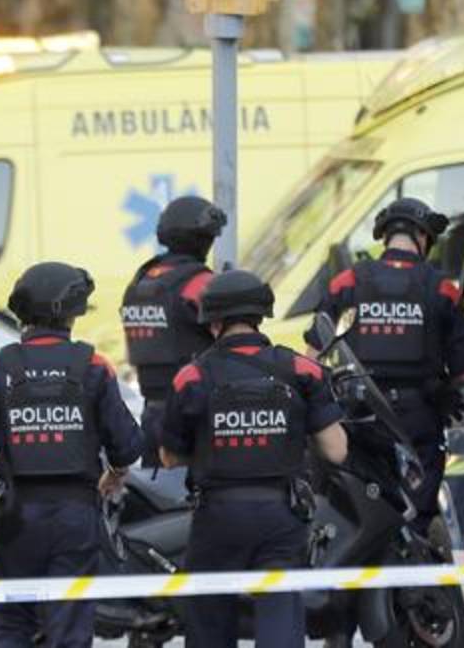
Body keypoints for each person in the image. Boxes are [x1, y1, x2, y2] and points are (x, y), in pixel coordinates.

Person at [0, 262, 143, 648]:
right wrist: (114, 474)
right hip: (75, 516)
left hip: (15, 514)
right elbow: (127, 445)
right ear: (70, 313)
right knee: (70, 627)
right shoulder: (93, 365)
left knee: (10, 624)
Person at [159, 269, 348, 648]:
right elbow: (337, 450)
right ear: (261, 315)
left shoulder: (192, 377)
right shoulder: (301, 370)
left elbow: (168, 458)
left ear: (212, 321)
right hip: (281, 516)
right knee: (280, 615)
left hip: (217, 518)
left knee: (209, 622)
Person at [304, 197, 464, 535]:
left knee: (362, 506)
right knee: (416, 514)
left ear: (385, 236)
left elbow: (312, 354)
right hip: (418, 418)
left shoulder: (347, 282)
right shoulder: (441, 287)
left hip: (359, 418)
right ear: (423, 236)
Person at [121, 195, 226, 467]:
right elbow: (236, 339)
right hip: (196, 413)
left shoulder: (142, 280)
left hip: (153, 412)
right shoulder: (200, 283)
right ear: (204, 237)